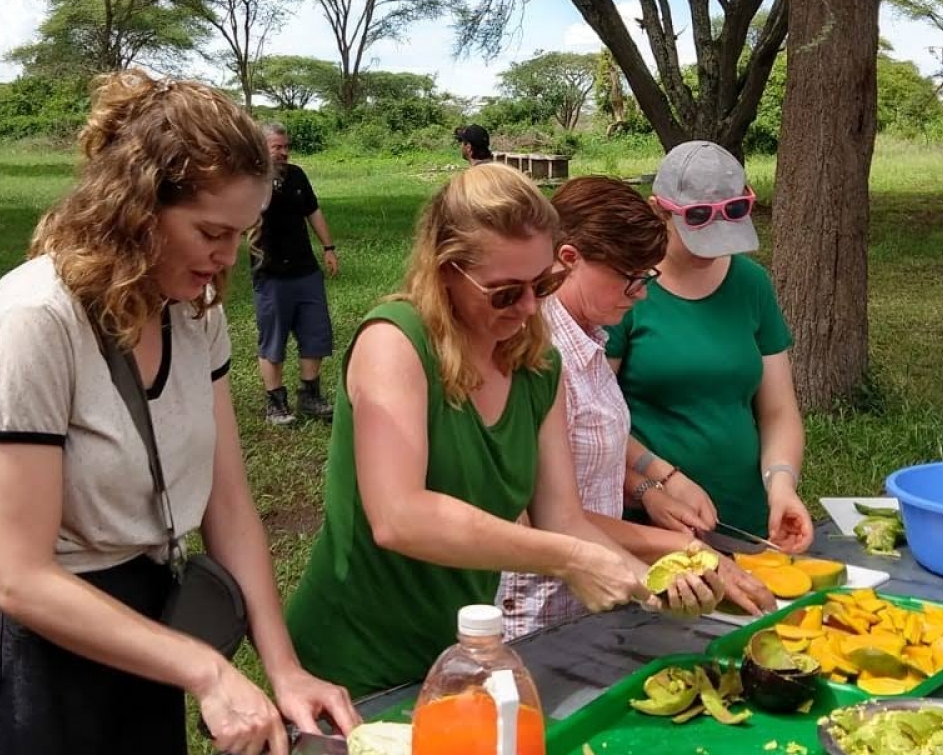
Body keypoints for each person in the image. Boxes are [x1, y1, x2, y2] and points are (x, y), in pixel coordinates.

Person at [0, 73, 355, 755]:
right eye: (209, 231)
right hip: (45, 656)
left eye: (239, 234)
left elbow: (228, 502)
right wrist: (208, 669)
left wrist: (283, 668)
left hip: (151, 637)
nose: (226, 259)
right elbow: (19, 578)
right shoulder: (35, 319)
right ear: (135, 205)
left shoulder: (194, 310)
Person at [285, 163, 719, 697]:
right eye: (505, 293)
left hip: (456, 651)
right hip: (351, 661)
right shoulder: (395, 343)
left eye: (543, 284)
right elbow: (399, 517)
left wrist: (650, 576)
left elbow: (560, 516)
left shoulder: (538, 367)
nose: (531, 307)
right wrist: (574, 559)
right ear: (446, 270)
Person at [496, 176, 777, 639]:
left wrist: (651, 487)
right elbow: (546, 513)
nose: (642, 294)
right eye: (632, 280)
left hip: (592, 609)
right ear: (569, 260)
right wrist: (680, 549)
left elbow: (585, 455)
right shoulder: (540, 357)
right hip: (538, 619)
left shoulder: (589, 337)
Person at [607, 141, 813, 550]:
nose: (716, 249)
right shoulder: (625, 290)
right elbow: (597, 419)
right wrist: (661, 481)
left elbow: (777, 410)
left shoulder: (752, 284)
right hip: (653, 523)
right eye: (697, 230)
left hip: (748, 521)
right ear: (658, 211)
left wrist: (781, 484)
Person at [252, 122, 341, 425]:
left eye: (285, 147)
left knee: (315, 332)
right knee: (273, 340)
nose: (284, 152)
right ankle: (275, 402)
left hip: (306, 270)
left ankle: (310, 396)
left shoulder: (298, 175)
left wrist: (328, 247)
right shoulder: (250, 180)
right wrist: (264, 177)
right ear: (262, 148)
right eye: (277, 147)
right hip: (271, 273)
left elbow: (312, 211)